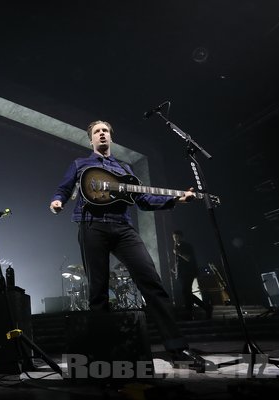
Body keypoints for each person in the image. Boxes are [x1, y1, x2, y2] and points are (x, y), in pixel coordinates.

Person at [50, 120, 213, 372]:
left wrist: (175, 198)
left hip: (123, 228)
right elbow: (63, 188)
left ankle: (177, 348)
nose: (102, 134)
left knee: (152, 282)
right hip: (92, 225)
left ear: (110, 138)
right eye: (97, 132)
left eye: (105, 131)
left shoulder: (125, 169)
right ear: (90, 140)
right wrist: (57, 201)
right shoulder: (80, 165)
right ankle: (102, 354)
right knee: (98, 290)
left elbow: (144, 200)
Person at [172, 230, 213, 319]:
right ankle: (199, 309)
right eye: (174, 237)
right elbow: (179, 261)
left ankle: (200, 309)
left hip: (188, 273)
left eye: (177, 237)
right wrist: (175, 269)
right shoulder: (176, 247)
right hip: (181, 274)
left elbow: (189, 258)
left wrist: (179, 253)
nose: (175, 239)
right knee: (187, 293)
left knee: (186, 292)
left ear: (181, 237)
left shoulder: (187, 246)